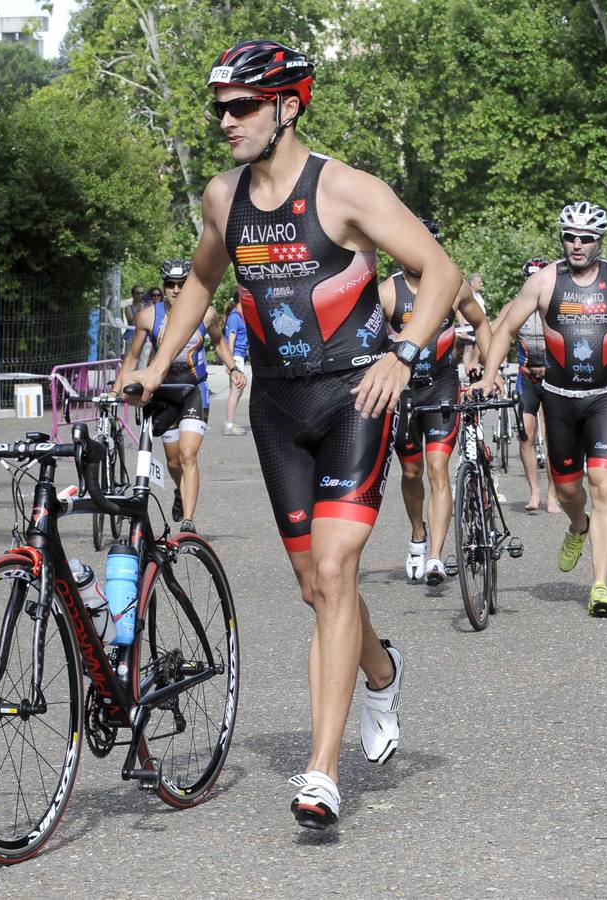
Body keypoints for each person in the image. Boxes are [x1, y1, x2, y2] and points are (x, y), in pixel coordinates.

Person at [121, 41, 462, 829]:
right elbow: (204, 280)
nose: (227, 120)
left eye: (243, 105)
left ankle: (320, 771)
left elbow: (438, 271)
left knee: (338, 573)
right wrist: (158, 364)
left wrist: (405, 356)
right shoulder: (222, 195)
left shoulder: (344, 189)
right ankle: (382, 671)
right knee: (316, 588)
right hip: (278, 408)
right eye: (221, 107)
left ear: (288, 107)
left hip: (354, 399)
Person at [474, 202, 607, 617]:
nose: (576, 244)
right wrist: (491, 375)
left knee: (603, 485)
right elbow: (506, 328)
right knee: (566, 490)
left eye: (586, 238)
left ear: (600, 241)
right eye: (570, 236)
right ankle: (578, 526)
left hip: (606, 396)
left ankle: (599, 585)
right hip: (558, 398)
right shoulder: (545, 282)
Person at [382, 219, 493, 585]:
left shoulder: (453, 286)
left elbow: (481, 324)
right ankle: (418, 535)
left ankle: (435, 557)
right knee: (412, 472)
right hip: (406, 393)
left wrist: (491, 370)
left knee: (438, 470)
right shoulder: (388, 293)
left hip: (443, 385)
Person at [117, 258, 244, 533]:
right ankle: (179, 490)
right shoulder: (149, 316)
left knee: (188, 455)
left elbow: (220, 342)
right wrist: (118, 388)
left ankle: (188, 521)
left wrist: (232, 367)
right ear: (163, 287)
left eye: (182, 284)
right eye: (170, 284)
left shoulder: (206, 314)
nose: (176, 290)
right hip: (165, 392)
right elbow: (133, 356)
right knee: (174, 461)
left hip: (194, 390)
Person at [496, 258, 560, 514]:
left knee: (555, 439)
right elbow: (496, 334)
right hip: (527, 380)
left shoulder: (554, 306)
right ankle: (534, 491)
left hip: (555, 380)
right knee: (526, 435)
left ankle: (553, 495)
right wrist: (490, 369)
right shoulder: (514, 306)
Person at [221, 293, 251, 435]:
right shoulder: (235, 317)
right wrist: (229, 363)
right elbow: (230, 340)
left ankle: (229, 422)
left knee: (239, 390)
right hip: (235, 357)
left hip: (240, 356)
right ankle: (229, 425)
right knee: (235, 391)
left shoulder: (240, 315)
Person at [456, 273, 488, 375]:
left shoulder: (479, 296)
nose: (481, 284)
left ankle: (476, 370)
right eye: (479, 282)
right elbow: (459, 311)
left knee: (479, 348)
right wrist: (463, 327)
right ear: (472, 283)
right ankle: (467, 372)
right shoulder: (468, 294)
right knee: (469, 348)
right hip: (468, 325)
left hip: (478, 326)